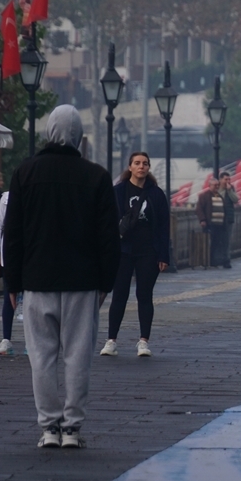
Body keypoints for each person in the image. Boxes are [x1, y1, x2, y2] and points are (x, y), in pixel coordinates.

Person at [3, 105, 120, 449]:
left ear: (48, 133)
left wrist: (13, 281)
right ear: (80, 137)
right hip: (82, 282)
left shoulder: (25, 173)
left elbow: (14, 233)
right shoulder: (96, 177)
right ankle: (72, 428)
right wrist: (106, 282)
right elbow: (108, 237)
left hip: (38, 280)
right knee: (78, 355)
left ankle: (49, 427)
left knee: (41, 356)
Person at [100, 152, 171, 358]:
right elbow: (107, 221)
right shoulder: (118, 192)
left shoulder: (156, 194)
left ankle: (143, 341)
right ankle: (111, 340)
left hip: (148, 251)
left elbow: (164, 226)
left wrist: (164, 255)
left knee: (144, 295)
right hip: (123, 250)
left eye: (145, 163)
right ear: (130, 167)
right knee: (119, 294)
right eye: (137, 163)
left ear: (149, 168)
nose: (141, 167)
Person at [0, 190, 15, 355]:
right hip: (9, 253)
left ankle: (32, 341)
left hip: (32, 255)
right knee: (8, 298)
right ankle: (6, 338)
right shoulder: (7, 197)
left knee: (31, 301)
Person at [195, 177, 226, 267]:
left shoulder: (220, 196)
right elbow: (199, 209)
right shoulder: (204, 196)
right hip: (209, 224)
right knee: (208, 244)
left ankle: (213, 261)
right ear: (209, 186)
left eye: (217, 185)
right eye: (215, 185)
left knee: (216, 243)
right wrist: (203, 220)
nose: (216, 187)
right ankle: (206, 261)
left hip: (219, 224)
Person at [219, 171, 239, 268]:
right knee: (219, 239)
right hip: (218, 218)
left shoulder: (231, 189)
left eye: (229, 179)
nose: (227, 181)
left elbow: (235, 199)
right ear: (221, 180)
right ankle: (218, 258)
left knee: (227, 240)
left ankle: (226, 260)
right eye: (225, 179)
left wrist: (230, 191)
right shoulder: (218, 189)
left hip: (228, 218)